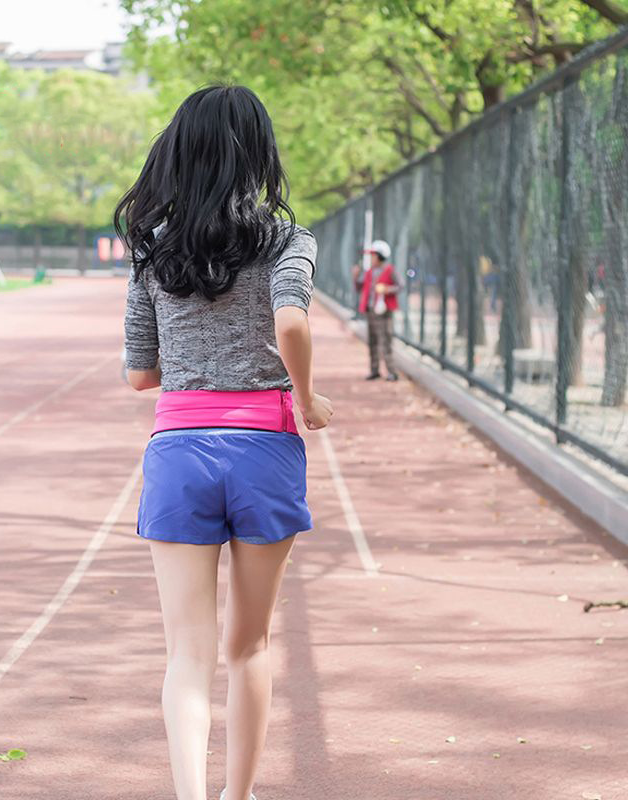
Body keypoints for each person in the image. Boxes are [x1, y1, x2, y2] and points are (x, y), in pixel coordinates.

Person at [116, 85, 334, 800]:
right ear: (261, 152)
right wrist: (306, 399)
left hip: (180, 450)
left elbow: (139, 377)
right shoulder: (286, 241)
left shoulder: (152, 250)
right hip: (264, 447)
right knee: (250, 647)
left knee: (187, 653)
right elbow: (292, 325)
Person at [351, 239, 400, 381]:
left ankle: (392, 371)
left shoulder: (390, 270)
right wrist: (355, 277)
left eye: (373, 255)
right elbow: (359, 288)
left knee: (385, 339)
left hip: (384, 312)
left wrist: (387, 289)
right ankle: (374, 370)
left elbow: (400, 285)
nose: (371, 258)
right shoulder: (370, 272)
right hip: (371, 310)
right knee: (372, 340)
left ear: (379, 256)